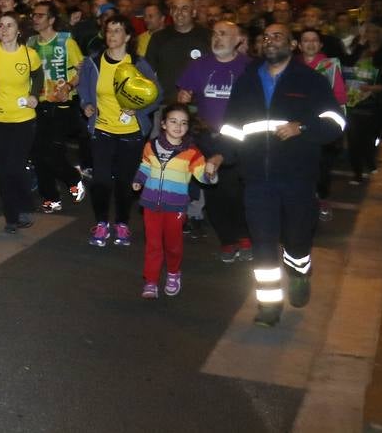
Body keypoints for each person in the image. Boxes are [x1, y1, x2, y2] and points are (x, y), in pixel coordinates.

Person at [219, 23, 345, 326]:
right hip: (256, 178)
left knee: (297, 238)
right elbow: (232, 127)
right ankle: (269, 306)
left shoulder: (310, 80)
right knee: (262, 243)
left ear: (292, 44)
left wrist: (302, 128)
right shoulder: (247, 80)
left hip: (297, 177)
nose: (270, 40)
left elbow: (336, 122)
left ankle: (300, 269)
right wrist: (219, 156)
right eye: (266, 37)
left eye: (278, 36)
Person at [78, 13, 160, 247]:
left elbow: (157, 95)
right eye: (109, 30)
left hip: (131, 133)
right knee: (101, 180)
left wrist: (141, 110)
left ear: (127, 36)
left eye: (117, 31)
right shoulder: (94, 61)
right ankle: (102, 223)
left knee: (125, 181)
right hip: (102, 129)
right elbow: (84, 90)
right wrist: (86, 105)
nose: (111, 35)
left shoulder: (138, 64)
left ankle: (122, 223)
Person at [176, 20, 253, 262]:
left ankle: (244, 235)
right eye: (215, 34)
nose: (217, 38)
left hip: (239, 136)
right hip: (206, 136)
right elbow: (183, 97)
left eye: (224, 34)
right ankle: (227, 240)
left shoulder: (249, 68)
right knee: (214, 190)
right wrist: (183, 97)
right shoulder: (199, 65)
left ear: (238, 40)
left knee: (237, 189)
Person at [132, 105, 221, 298]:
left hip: (175, 208)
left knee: (173, 245)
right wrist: (139, 180)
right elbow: (145, 165)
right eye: (173, 121)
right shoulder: (151, 146)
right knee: (153, 244)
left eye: (183, 123)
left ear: (188, 127)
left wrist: (209, 173)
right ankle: (151, 281)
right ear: (163, 124)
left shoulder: (192, 152)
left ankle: (173, 273)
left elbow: (201, 175)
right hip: (150, 205)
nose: (178, 126)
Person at [0, 12, 43, 232]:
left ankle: (21, 208)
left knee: (15, 167)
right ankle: (13, 216)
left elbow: (39, 76)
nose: (4, 30)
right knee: (2, 169)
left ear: (18, 30)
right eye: (1, 26)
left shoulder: (29, 54)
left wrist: (34, 95)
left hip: (23, 119)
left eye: (10, 25)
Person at [27, 1, 85, 213]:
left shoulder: (65, 42)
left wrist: (69, 85)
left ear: (51, 20)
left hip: (62, 104)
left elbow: (82, 70)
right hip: (38, 104)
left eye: (40, 15)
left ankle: (72, 177)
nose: (35, 18)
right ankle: (50, 196)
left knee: (51, 151)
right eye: (34, 15)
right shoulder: (30, 43)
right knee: (37, 152)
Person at [298, 28, 347, 220]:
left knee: (322, 165)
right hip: (298, 122)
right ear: (299, 45)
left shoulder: (329, 66)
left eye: (314, 40)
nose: (310, 44)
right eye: (305, 40)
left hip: (322, 123)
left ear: (320, 45)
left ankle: (322, 199)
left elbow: (340, 96)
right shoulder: (292, 65)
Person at [341, 20, 382, 185]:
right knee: (354, 139)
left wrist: (370, 88)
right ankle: (357, 173)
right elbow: (347, 64)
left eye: (373, 32)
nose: (370, 35)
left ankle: (370, 164)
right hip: (354, 102)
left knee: (369, 139)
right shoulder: (357, 50)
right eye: (366, 32)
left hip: (373, 104)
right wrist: (360, 46)